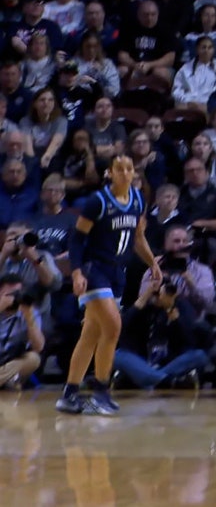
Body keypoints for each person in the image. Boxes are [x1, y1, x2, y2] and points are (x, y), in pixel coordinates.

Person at [58, 155, 159, 415]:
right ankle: (100, 392)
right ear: (109, 173)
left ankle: (69, 394)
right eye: (120, 168)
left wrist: (152, 263)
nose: (126, 172)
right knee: (113, 327)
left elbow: (138, 238)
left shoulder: (138, 200)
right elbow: (77, 240)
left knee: (91, 333)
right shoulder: (98, 202)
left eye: (130, 168)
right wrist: (77, 273)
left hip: (117, 272)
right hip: (95, 269)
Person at [113, 271, 211, 389]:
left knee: (199, 355)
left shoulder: (181, 306)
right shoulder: (144, 307)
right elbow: (123, 326)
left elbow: (189, 340)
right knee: (117, 355)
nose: (159, 295)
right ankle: (167, 381)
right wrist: (146, 295)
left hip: (170, 361)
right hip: (142, 360)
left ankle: (150, 380)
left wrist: (171, 310)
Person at [0, 273, 44, 388]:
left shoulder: (29, 311)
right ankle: (7, 381)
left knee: (33, 359)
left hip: (10, 362)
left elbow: (38, 347)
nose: (14, 298)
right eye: (10, 294)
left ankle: (5, 379)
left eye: (17, 294)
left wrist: (29, 317)